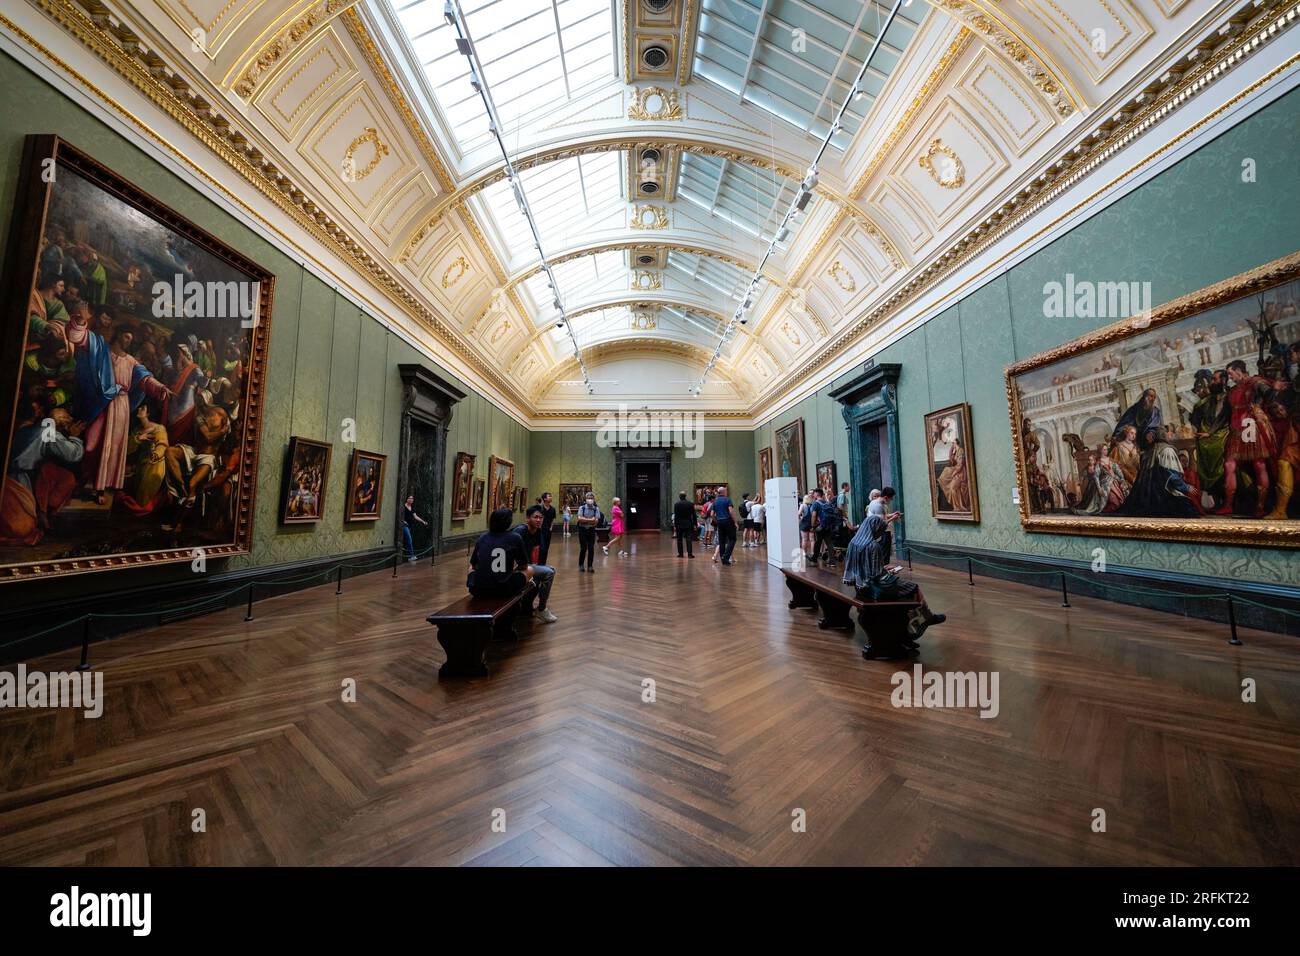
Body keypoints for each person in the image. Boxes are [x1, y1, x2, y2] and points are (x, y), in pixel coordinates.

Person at [842, 512, 945, 659]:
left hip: (860, 587)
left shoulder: (853, 543)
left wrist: (880, 570)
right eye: (880, 531)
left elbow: (854, 569)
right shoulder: (873, 545)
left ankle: (905, 634)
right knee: (913, 588)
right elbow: (877, 576)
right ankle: (925, 618)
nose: (880, 534)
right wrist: (889, 571)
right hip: (875, 588)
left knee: (907, 593)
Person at [468, 507, 531, 600]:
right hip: (503, 590)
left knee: (470, 568)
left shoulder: (482, 537)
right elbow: (524, 566)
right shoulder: (515, 537)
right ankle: (522, 604)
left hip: (476, 589)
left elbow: (473, 565)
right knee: (530, 569)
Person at [510, 505, 558, 623]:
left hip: (525, 566)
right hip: (514, 568)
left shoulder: (537, 531)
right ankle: (541, 609)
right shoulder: (520, 531)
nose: (538, 520)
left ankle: (527, 605)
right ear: (528, 518)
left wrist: (533, 566)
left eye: (541, 517)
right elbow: (509, 552)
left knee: (549, 570)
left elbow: (532, 550)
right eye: (535, 517)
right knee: (549, 573)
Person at [812, 488, 843, 566]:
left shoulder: (816, 503)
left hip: (821, 526)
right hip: (828, 526)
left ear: (817, 494)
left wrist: (813, 525)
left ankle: (814, 558)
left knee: (818, 542)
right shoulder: (826, 502)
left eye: (814, 493)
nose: (813, 495)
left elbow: (814, 515)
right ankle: (832, 561)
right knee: (829, 543)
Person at [711, 485, 738, 565]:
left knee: (721, 541)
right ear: (724, 492)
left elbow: (712, 514)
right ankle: (726, 557)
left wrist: (716, 520)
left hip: (719, 522)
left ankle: (723, 559)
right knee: (732, 539)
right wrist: (735, 522)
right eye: (726, 491)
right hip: (728, 521)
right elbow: (731, 511)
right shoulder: (727, 500)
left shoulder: (715, 501)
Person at [576, 491, 599, 572]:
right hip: (582, 530)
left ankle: (590, 566)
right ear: (586, 499)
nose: (590, 499)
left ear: (593, 499)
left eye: (591, 498)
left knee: (591, 548)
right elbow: (579, 519)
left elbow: (596, 521)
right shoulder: (581, 508)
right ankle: (581, 565)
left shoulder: (596, 508)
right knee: (583, 548)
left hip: (591, 530)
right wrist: (590, 520)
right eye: (589, 498)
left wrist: (585, 520)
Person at [401, 495, 428, 562]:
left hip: (410, 526)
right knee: (409, 540)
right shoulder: (403, 506)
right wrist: (403, 521)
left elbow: (415, 517)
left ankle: (407, 555)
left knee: (407, 541)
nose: (411, 499)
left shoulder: (412, 508)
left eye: (412, 498)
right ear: (406, 499)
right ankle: (411, 556)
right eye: (409, 498)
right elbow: (400, 515)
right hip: (404, 526)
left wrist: (423, 521)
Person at [673, 491, 697, 558]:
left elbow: (676, 516)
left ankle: (680, 554)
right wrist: (695, 524)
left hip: (679, 524)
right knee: (689, 539)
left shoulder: (676, 504)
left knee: (679, 539)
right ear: (685, 496)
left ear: (680, 496)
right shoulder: (690, 504)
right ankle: (689, 554)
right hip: (688, 523)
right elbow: (694, 515)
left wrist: (675, 525)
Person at [538, 491, 557, 564]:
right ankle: (539, 563)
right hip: (540, 530)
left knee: (546, 548)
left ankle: (543, 564)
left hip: (548, 531)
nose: (551, 497)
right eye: (549, 496)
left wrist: (551, 528)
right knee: (541, 548)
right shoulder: (540, 507)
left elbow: (552, 519)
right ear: (545, 499)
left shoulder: (552, 509)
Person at [798, 492, 815, 559]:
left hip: (804, 524)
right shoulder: (812, 505)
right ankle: (812, 553)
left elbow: (799, 513)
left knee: (804, 539)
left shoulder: (803, 505)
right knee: (812, 540)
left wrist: (801, 518)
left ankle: (804, 554)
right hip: (811, 524)